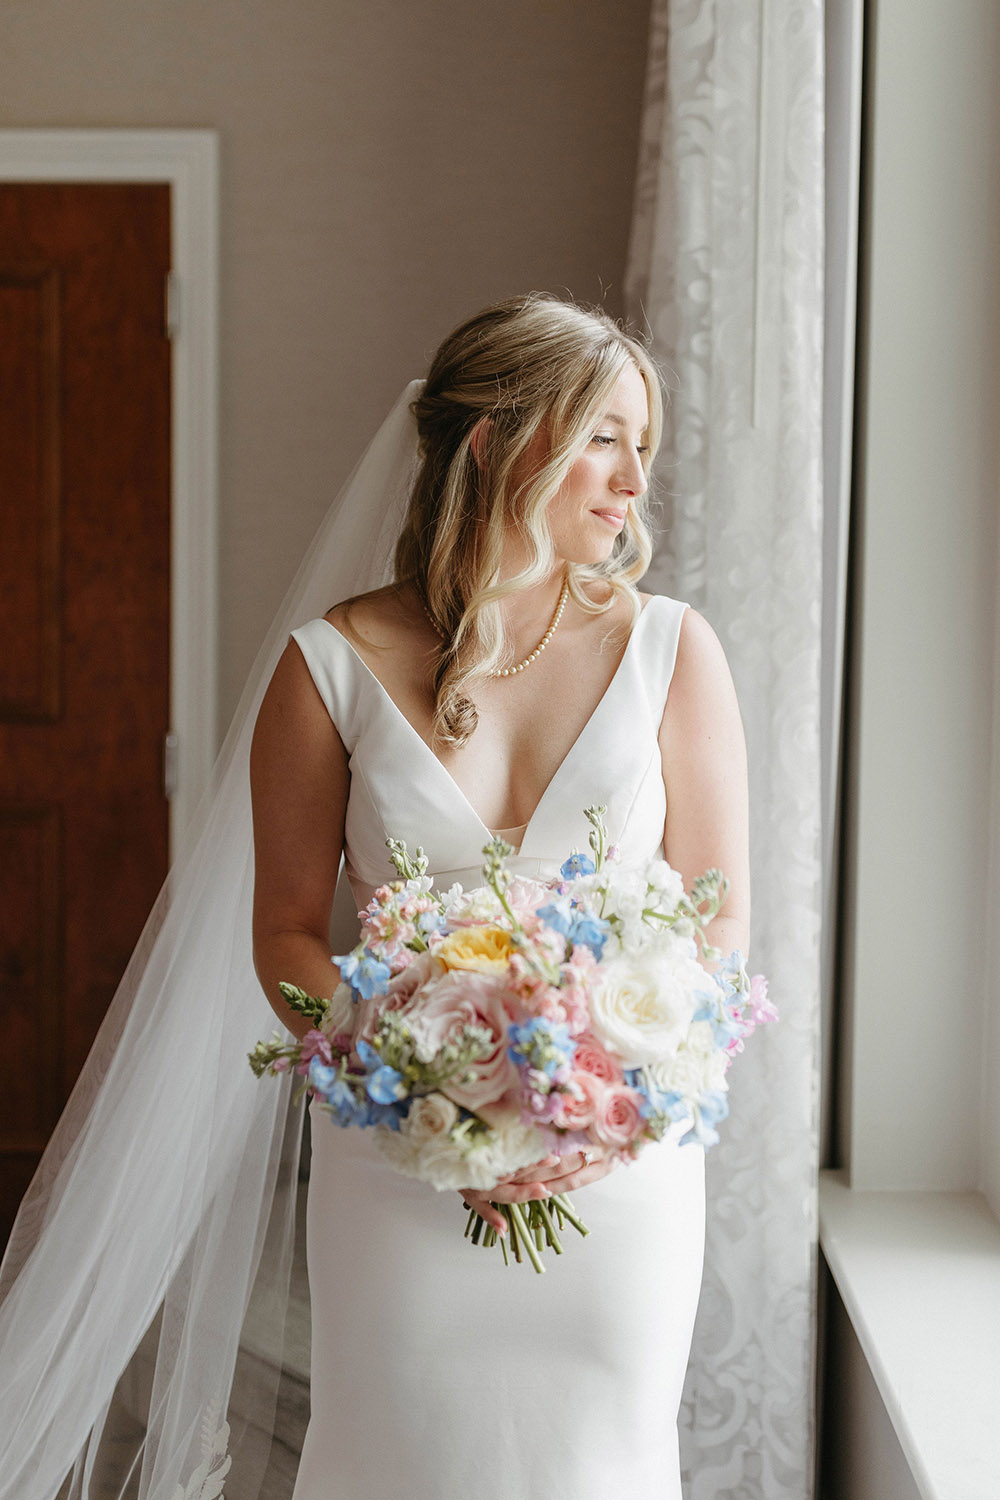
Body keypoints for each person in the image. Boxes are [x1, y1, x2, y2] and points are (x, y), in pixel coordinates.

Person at [249, 294, 750, 1498]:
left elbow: (720, 920)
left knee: (603, 1463)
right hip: (400, 1166)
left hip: (616, 1176)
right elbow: (285, 934)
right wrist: (421, 1081)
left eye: (645, 444)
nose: (635, 480)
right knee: (395, 1456)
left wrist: (599, 1105)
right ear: (491, 442)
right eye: (603, 437)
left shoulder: (675, 651)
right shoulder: (331, 666)